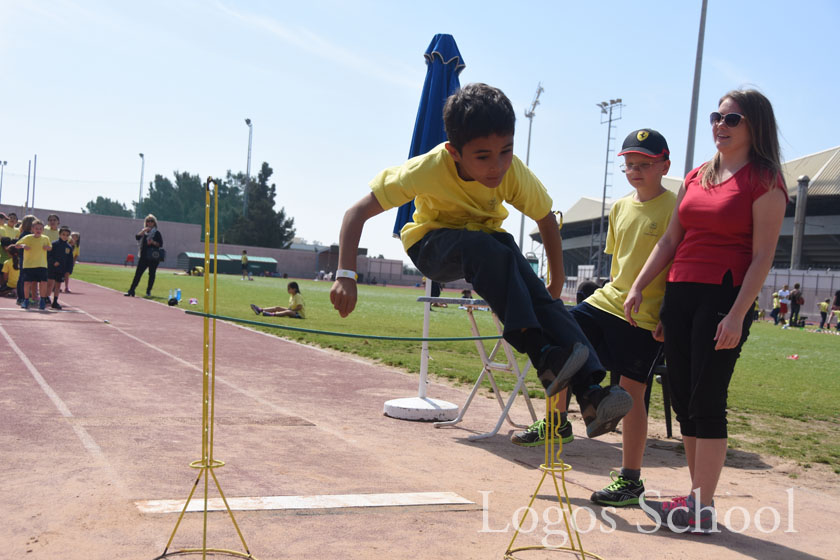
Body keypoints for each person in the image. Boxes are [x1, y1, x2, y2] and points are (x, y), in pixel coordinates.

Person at [329, 83, 632, 437]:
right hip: (431, 245)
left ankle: (592, 394)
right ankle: (543, 354)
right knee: (488, 247)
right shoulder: (427, 168)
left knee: (541, 296)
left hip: (488, 245)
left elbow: (546, 218)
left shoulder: (512, 172)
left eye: (506, 151)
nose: (497, 167)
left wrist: (555, 281)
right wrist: (345, 273)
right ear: (454, 152)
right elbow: (357, 212)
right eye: (483, 156)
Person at [626, 89, 787, 533]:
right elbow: (671, 240)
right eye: (716, 117)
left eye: (731, 119)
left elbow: (762, 257)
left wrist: (737, 314)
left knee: (707, 399)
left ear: (754, 125)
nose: (720, 124)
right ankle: (696, 501)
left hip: (724, 297)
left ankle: (700, 504)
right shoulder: (698, 176)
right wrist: (642, 286)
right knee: (682, 398)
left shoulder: (765, 179)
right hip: (680, 295)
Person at [514, 129, 677, 510]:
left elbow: (678, 264)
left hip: (646, 315)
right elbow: (618, 264)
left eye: (644, 165)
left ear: (664, 166)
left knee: (632, 395)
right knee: (558, 337)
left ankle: (630, 481)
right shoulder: (619, 208)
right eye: (629, 165)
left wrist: (669, 313)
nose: (635, 171)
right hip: (608, 301)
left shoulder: (676, 206)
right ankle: (557, 423)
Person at [14, 218, 53, 310]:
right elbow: (16, 245)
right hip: (29, 265)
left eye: (40, 229)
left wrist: (48, 248)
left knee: (43, 283)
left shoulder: (45, 238)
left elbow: (50, 248)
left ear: (43, 230)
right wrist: (23, 246)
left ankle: (42, 301)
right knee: (27, 283)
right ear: (32, 229)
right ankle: (26, 300)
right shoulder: (27, 238)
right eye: (36, 228)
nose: (38, 230)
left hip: (41, 264)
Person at [125, 214, 163, 297]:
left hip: (153, 257)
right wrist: (143, 231)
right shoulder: (144, 232)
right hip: (144, 256)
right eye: (148, 221)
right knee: (138, 273)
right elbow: (137, 237)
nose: (149, 223)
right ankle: (131, 290)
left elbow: (160, 244)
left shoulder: (157, 233)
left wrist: (153, 242)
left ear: (154, 223)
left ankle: (148, 291)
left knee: (151, 274)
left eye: (151, 221)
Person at [46, 226, 73, 309]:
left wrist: (69, 270)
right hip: (52, 268)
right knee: (50, 284)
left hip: (61, 269)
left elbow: (70, 260)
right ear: (59, 234)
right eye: (63, 234)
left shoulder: (69, 247)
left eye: (67, 235)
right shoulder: (54, 244)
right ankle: (45, 298)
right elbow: (48, 255)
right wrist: (53, 262)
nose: (65, 236)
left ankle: (55, 301)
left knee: (58, 285)